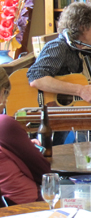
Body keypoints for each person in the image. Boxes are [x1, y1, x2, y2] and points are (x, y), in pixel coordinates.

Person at [27, 1, 91, 109]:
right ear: (82, 27)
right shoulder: (59, 46)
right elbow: (36, 79)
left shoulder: (74, 49)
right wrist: (80, 90)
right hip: (44, 112)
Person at [0, 66, 51, 205]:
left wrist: (24, 146)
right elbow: (44, 173)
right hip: (25, 207)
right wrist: (31, 150)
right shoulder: (4, 124)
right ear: (3, 92)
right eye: (7, 96)